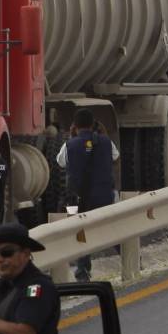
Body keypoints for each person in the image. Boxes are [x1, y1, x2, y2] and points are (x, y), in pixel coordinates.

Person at [59, 109, 118, 281]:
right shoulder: (106, 142)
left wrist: (74, 141)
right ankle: (133, 258)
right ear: (93, 124)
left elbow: (61, 162)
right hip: (104, 195)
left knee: (79, 233)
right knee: (112, 229)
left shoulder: (69, 145)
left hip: (77, 198)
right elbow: (115, 157)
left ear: (74, 126)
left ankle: (83, 271)